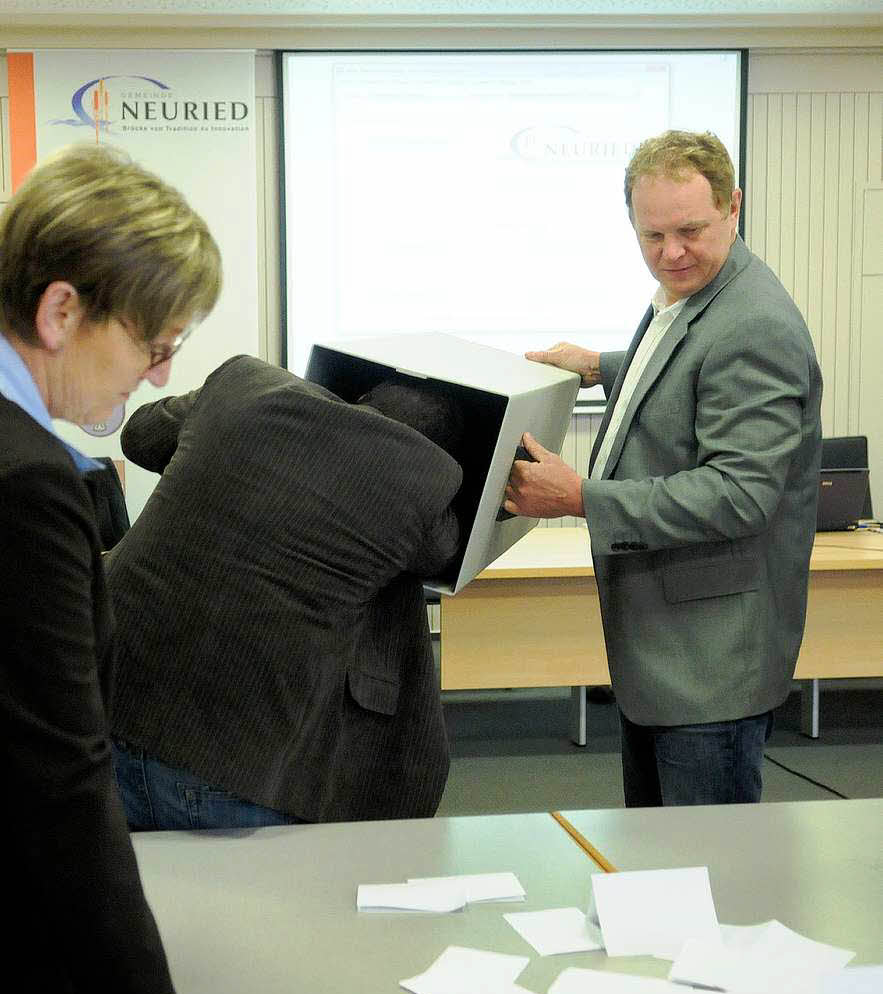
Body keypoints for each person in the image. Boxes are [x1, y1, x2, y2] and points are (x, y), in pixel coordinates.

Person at [505, 130, 822, 807]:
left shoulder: (752, 323)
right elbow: (688, 372)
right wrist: (599, 366)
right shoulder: (700, 293)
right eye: (650, 235)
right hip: (673, 658)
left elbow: (738, 495)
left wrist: (580, 499)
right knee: (661, 873)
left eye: (689, 230)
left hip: (708, 668)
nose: (670, 253)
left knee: (705, 885)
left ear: (732, 207)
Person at [0, 143, 221, 994]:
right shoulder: (24, 482)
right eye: (155, 343)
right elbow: (58, 782)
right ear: (62, 311)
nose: (161, 375)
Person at [105, 354, 464, 829]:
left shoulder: (243, 384)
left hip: (100, 708)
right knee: (233, 902)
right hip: (229, 760)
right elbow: (447, 553)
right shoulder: (426, 481)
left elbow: (141, 435)